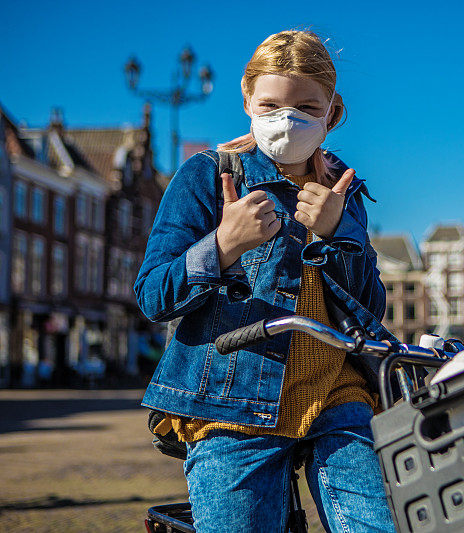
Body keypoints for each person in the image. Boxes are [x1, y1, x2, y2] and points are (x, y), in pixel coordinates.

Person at [134, 30, 396, 532]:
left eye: (305, 106)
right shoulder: (207, 176)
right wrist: (223, 246)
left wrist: (342, 233)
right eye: (272, 104)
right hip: (231, 404)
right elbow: (152, 294)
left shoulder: (344, 189)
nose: (287, 118)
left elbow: (370, 308)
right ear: (248, 101)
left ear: (331, 113)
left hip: (337, 395)